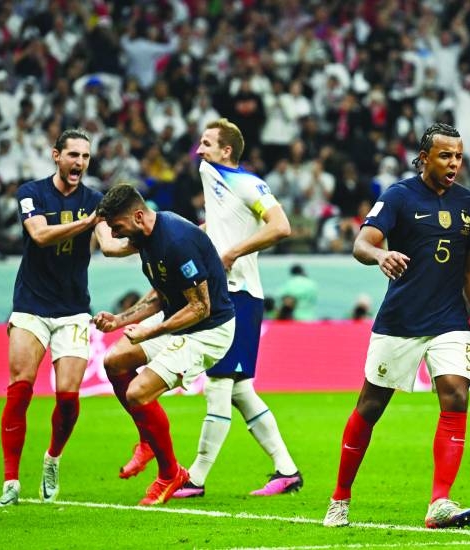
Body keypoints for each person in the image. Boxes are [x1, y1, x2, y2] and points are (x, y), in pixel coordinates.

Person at [323, 123, 470, 529]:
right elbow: (362, 243)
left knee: (456, 395)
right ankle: (340, 497)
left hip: (450, 320)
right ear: (424, 158)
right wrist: (379, 256)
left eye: (458, 156)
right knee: (370, 407)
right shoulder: (399, 197)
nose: (453, 163)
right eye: (445, 156)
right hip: (401, 321)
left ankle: (439, 503)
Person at [120, 117, 302, 498]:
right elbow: (223, 221)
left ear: (226, 151)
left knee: (220, 387)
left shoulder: (248, 183)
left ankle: (196, 478)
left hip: (238, 294)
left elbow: (281, 225)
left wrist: (232, 251)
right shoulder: (213, 177)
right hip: (226, 292)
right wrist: (205, 235)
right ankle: (286, 471)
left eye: (206, 143)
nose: (199, 150)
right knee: (240, 391)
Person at [0, 129, 132, 507]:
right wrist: (86, 224)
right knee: (20, 388)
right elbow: (38, 236)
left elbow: (107, 244)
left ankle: (52, 458)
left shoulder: (95, 201)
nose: (80, 163)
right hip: (31, 305)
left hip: (73, 309)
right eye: (73, 155)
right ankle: (10, 481)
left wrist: (148, 237)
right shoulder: (31, 193)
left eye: (85, 157)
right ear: (56, 156)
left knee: (68, 398)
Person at [92, 183, 236, 506]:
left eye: (118, 228)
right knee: (114, 362)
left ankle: (171, 474)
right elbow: (161, 294)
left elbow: (201, 306)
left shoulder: (176, 241)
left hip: (208, 331)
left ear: (138, 216)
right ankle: (147, 440)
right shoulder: (146, 236)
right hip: (179, 321)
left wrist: (149, 333)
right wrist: (120, 320)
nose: (116, 235)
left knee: (138, 394)